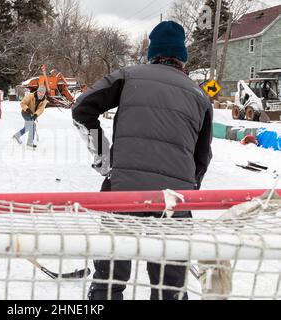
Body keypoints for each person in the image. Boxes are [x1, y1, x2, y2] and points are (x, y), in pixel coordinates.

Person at [72, 21, 213, 300]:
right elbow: (202, 156)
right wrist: (186, 188)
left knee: (108, 282)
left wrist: (104, 158)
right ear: (182, 56)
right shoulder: (200, 96)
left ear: (153, 51)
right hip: (174, 202)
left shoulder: (127, 76)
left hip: (123, 194)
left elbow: (82, 109)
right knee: (169, 288)